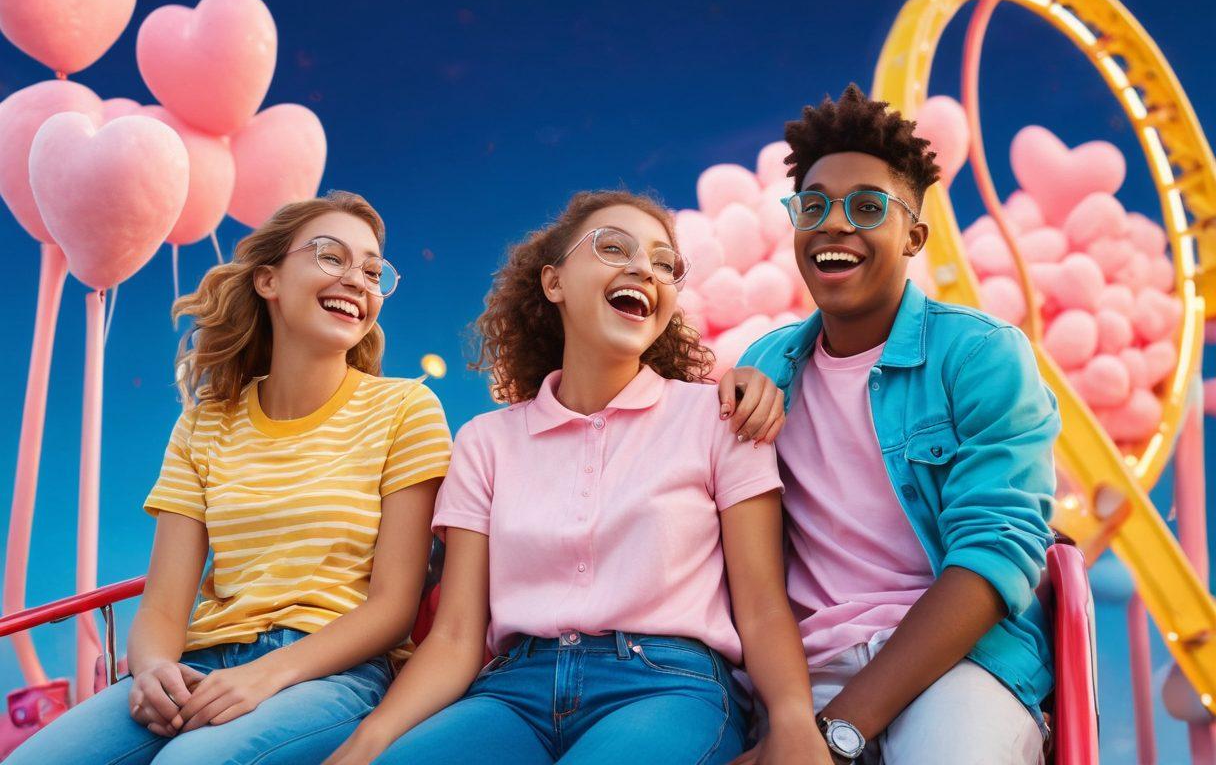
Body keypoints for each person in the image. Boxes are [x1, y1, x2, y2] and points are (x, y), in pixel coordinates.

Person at [328, 189, 829, 764]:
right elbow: (456, 636)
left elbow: (763, 604)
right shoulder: (485, 443)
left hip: (668, 686)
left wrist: (792, 720)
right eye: (613, 248)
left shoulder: (718, 417)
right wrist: (366, 744)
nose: (644, 268)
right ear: (554, 283)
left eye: (665, 264)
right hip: (510, 694)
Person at [9, 191, 453, 764]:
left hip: (334, 673)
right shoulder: (204, 423)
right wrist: (151, 672)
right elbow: (166, 607)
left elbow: (393, 609)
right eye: (330, 256)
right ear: (268, 280)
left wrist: (265, 677)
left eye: (372, 270)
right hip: (204, 663)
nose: (357, 280)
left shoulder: (406, 410)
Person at [737, 85, 1060, 764]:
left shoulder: (980, 354)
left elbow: (995, 552)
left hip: (957, 663)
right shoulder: (765, 365)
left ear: (914, 235)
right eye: (815, 205)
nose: (834, 224)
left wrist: (837, 731)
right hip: (795, 671)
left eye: (865, 207)